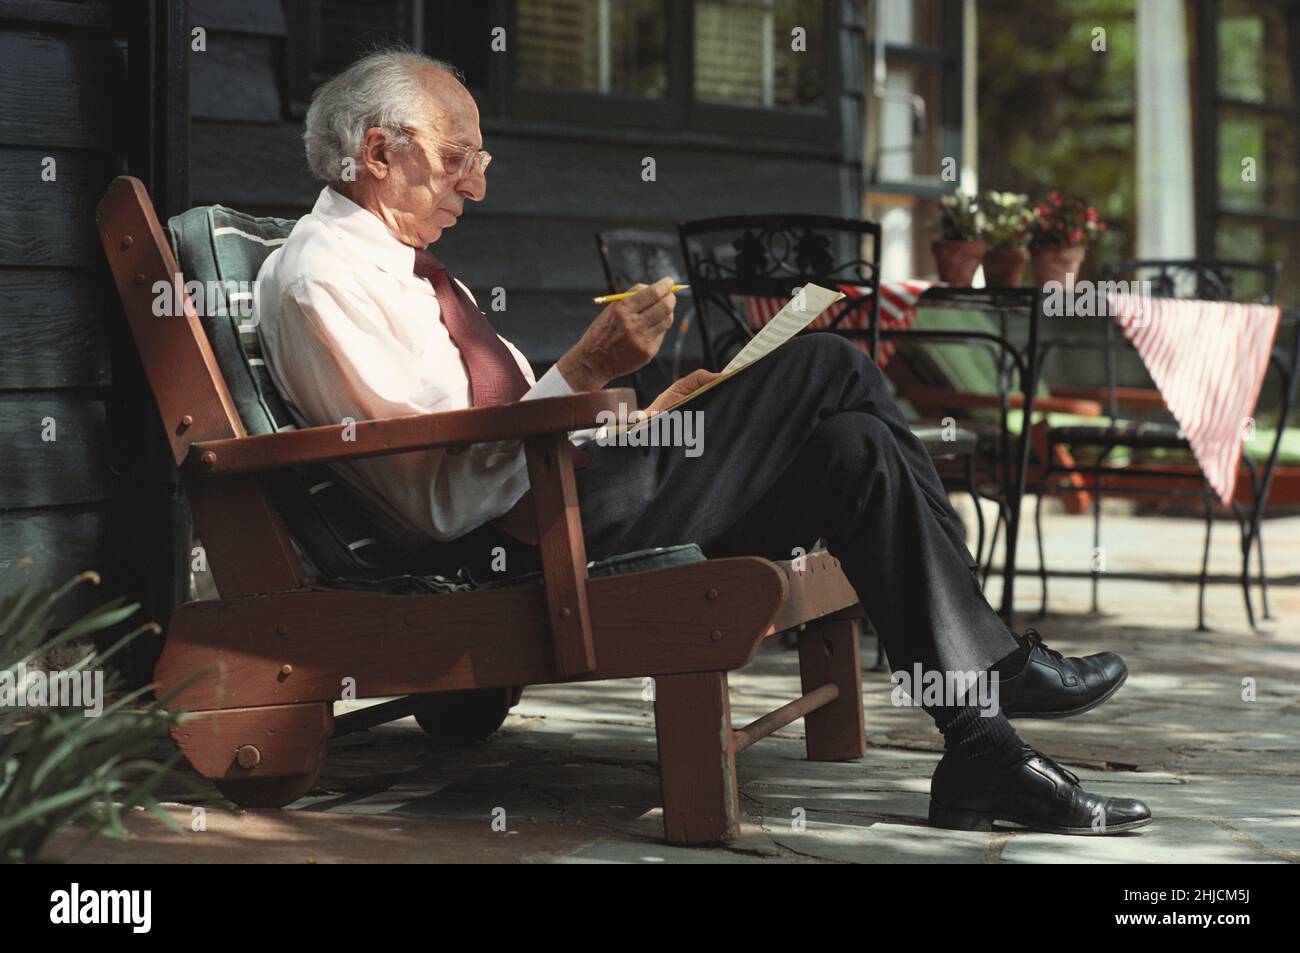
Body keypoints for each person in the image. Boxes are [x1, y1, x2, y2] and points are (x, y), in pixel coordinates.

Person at [255, 49, 1151, 836]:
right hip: (514, 551)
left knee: (854, 451)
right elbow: (437, 498)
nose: (476, 185)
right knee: (827, 364)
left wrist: (627, 416)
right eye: (459, 158)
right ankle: (991, 658)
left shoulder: (394, 267)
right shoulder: (324, 277)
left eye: (477, 159)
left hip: (554, 498)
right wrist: (583, 369)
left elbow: (482, 434)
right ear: (379, 151)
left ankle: (980, 745)